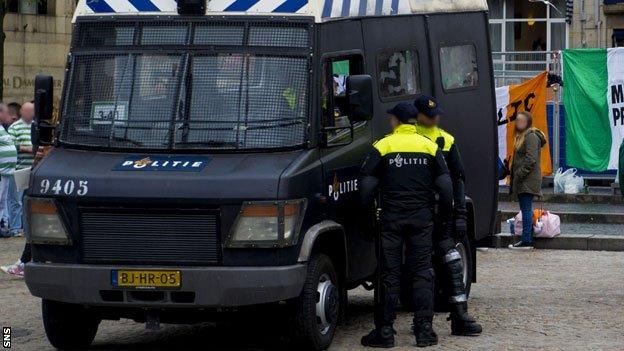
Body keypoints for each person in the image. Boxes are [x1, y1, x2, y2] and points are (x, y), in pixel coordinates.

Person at [359, 102, 454, 348]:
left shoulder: (383, 146)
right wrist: (444, 220)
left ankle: (385, 332)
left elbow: (366, 188)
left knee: (389, 274)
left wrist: (367, 220)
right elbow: (445, 189)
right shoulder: (430, 147)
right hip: (422, 220)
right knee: (422, 272)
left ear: (397, 121)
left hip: (391, 220)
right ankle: (424, 331)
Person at [413, 95, 482, 336]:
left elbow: (459, 178)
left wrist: (460, 213)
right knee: (422, 267)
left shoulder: (447, 139)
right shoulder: (410, 138)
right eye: (430, 115)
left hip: (442, 214)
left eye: (437, 115)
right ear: (419, 115)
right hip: (420, 213)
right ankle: (422, 320)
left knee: (452, 263)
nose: (435, 118)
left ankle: (459, 316)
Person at [508, 111, 547, 250]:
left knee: (525, 209)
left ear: (528, 123)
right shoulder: (523, 136)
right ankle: (527, 239)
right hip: (525, 179)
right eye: (517, 120)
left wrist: (519, 174)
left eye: (521, 121)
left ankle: (526, 241)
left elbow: (531, 159)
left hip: (527, 180)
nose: (518, 123)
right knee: (526, 209)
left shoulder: (530, 137)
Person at [6, 102, 35, 237]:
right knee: (16, 200)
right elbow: (12, 146)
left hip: (33, 169)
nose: (30, 114)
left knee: (28, 200)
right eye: (28, 111)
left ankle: (26, 228)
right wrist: (28, 149)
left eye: (32, 111)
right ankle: (16, 228)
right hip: (18, 169)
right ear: (22, 112)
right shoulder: (14, 127)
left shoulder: (36, 126)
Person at [0, 103, 17, 239]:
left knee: (2, 200)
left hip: (6, 173)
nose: (9, 115)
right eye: (7, 112)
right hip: (1, 172)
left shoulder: (3, 128)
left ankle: (1, 225)